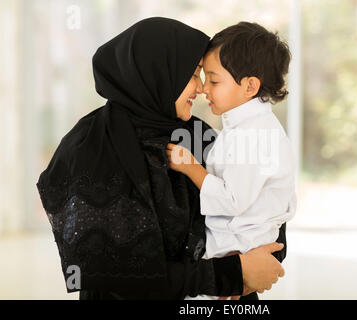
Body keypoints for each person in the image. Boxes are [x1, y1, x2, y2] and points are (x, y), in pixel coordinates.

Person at [36, 17, 286, 300]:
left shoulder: (199, 136)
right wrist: (229, 274)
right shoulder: (92, 148)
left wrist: (257, 265)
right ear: (159, 73)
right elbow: (115, 275)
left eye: (207, 77)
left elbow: (262, 210)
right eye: (193, 75)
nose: (201, 88)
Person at [166, 22, 296, 300]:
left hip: (239, 243)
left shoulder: (252, 135)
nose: (204, 89)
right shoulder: (247, 128)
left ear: (250, 86)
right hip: (239, 240)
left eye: (213, 81)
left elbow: (232, 200)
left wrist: (191, 168)